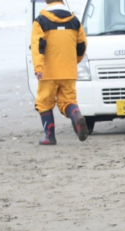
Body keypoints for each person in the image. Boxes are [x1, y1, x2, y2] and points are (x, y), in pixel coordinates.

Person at [30, 0, 88, 145]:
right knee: (68, 101)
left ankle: (49, 136)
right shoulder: (74, 21)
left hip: (48, 72)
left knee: (44, 103)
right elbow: (82, 45)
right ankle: (76, 115)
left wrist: (38, 68)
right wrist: (73, 62)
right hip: (68, 71)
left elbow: (38, 46)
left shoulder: (41, 20)